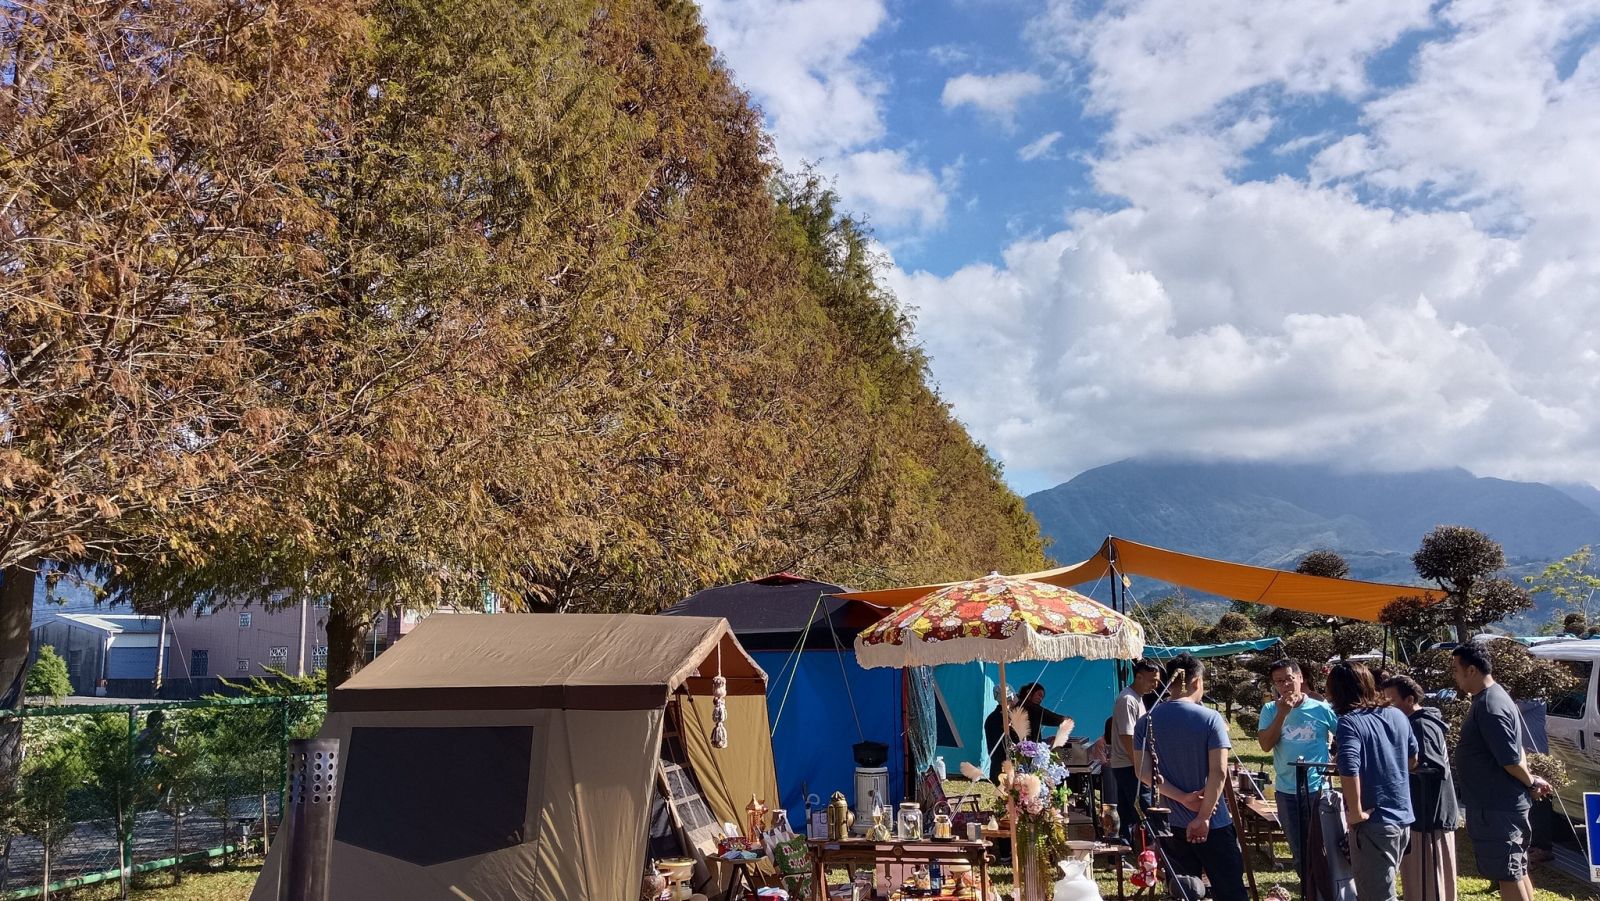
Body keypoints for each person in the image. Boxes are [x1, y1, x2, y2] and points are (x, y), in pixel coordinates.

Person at [1134, 653, 1249, 901]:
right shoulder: (1210, 718)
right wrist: (1203, 817)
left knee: (1184, 892)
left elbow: (1143, 772)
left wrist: (1182, 798)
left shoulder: (1146, 720)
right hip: (1213, 822)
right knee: (1230, 891)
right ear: (1197, 681)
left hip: (1171, 823)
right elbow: (1219, 771)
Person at [1451, 643, 1552, 901]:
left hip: (1498, 806)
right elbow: (1516, 750)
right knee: (1515, 869)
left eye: (1456, 670)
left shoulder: (1490, 705)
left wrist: (1531, 782)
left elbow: (1511, 760)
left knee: (1508, 873)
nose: (1454, 676)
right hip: (1500, 804)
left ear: (1471, 670)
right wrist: (1531, 780)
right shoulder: (1495, 697)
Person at [1329, 661, 1416, 901]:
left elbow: (1349, 767)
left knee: (1377, 897)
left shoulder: (1349, 722)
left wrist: (1355, 812)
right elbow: (1413, 759)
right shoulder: (1397, 715)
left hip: (1374, 823)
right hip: (1402, 818)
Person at [1257, 659, 1339, 873]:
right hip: (1286, 790)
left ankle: (1327, 887)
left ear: (1300, 678)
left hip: (1317, 789)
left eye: (1289, 679)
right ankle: (1307, 886)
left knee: (1323, 846)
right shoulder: (1269, 710)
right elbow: (1265, 745)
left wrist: (1335, 761)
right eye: (1279, 681)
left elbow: (1346, 737)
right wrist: (1282, 714)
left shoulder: (1321, 708)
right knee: (1298, 849)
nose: (1285, 685)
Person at [1381, 675, 1458, 901]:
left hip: (1429, 818)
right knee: (1416, 882)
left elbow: (1435, 767)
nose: (1386, 706)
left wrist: (1399, 766)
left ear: (1410, 699)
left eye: (1391, 701)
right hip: (1419, 817)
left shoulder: (1421, 725)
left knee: (1429, 884)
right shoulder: (1413, 722)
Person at [1110, 659, 1162, 846]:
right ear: (1138, 677)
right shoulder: (1128, 700)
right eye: (1151, 680)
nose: (1155, 685)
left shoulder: (1138, 698)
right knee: (1145, 807)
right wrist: (1140, 766)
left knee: (1126, 809)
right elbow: (1127, 736)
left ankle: (1124, 846)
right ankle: (1154, 847)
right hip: (1129, 764)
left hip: (1129, 764)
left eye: (1157, 681)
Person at [984, 681, 1068, 780]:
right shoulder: (1027, 710)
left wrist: (1044, 741)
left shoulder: (990, 719)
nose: (1040, 699)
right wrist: (1067, 721)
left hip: (999, 773)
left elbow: (1020, 743)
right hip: (1020, 773)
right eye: (1039, 695)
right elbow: (1059, 720)